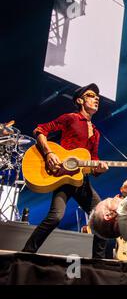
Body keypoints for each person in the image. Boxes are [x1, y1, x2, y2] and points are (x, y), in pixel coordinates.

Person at [22, 83, 109, 258]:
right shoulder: (71, 118)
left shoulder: (97, 133)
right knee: (55, 217)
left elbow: (94, 161)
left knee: (102, 218)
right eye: (91, 95)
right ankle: (25, 254)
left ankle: (98, 264)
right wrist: (49, 153)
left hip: (82, 180)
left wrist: (99, 169)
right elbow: (40, 130)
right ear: (80, 100)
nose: (96, 98)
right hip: (62, 175)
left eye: (97, 96)